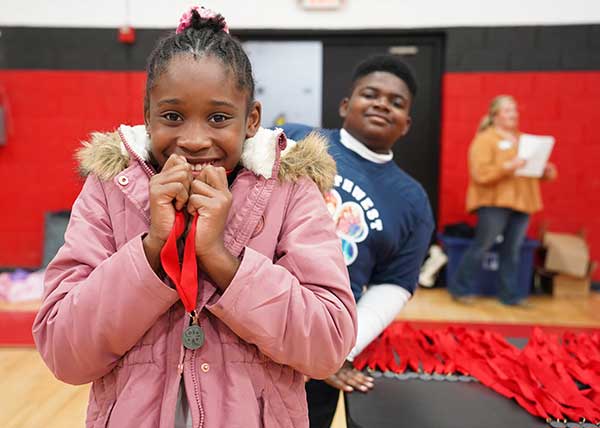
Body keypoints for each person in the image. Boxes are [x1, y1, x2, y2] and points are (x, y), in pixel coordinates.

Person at [32, 6, 357, 428]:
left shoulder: (290, 190)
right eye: (172, 116)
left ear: (252, 120)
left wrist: (222, 260)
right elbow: (64, 353)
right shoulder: (110, 188)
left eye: (219, 118)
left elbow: (327, 344)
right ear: (147, 116)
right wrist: (151, 250)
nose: (194, 139)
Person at [282, 54, 434, 428]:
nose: (383, 104)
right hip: (251, 318)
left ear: (407, 124)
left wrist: (339, 348)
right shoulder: (297, 140)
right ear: (345, 105)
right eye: (371, 94)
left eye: (396, 102)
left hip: (321, 336)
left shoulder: (412, 201)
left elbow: (393, 285)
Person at [450, 95, 557, 306]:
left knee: (513, 250)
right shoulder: (485, 139)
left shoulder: (525, 140)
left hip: (523, 202)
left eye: (515, 110)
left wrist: (546, 169)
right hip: (493, 203)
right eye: (508, 110)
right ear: (495, 115)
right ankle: (460, 289)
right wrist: (508, 166)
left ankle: (510, 295)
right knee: (482, 246)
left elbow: (542, 173)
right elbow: (480, 174)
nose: (513, 114)